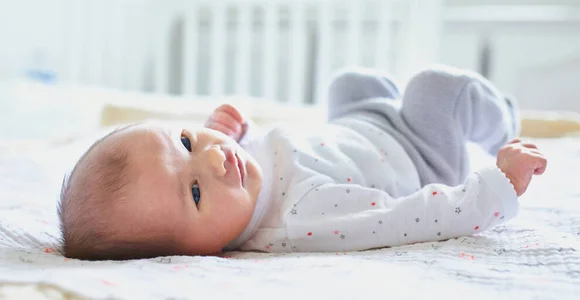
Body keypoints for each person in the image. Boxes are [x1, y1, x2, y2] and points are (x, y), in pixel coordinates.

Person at [57, 65, 547, 260]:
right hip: (420, 154)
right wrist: (499, 182)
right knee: (436, 89)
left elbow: (216, 157)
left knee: (348, 83)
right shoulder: (304, 217)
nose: (215, 160)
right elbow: (407, 219)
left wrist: (223, 132)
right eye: (196, 193)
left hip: (359, 129)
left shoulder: (233, 179)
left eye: (185, 141)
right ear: (197, 253)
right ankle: (504, 124)